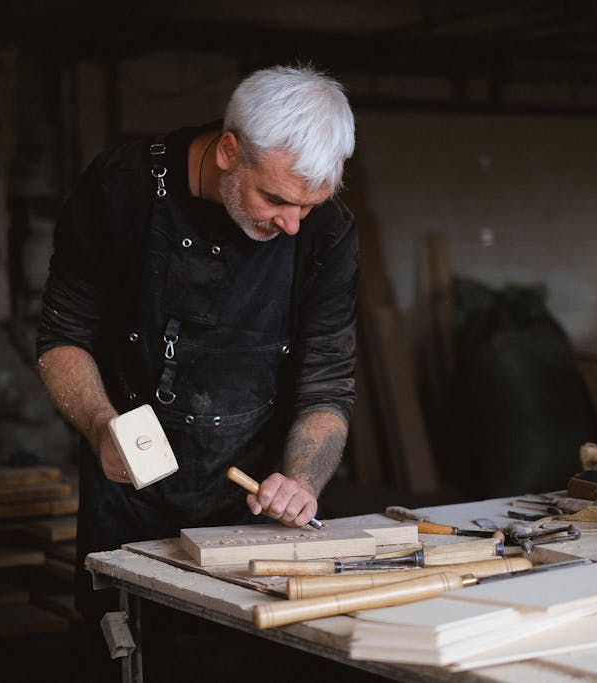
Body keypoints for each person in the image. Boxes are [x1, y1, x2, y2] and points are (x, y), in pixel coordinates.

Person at [35, 64, 358, 630]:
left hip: (257, 499)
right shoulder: (122, 189)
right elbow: (62, 337)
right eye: (275, 199)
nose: (291, 225)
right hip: (127, 489)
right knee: (125, 650)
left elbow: (328, 384)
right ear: (230, 150)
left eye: (308, 207)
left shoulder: (326, 231)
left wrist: (302, 482)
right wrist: (100, 425)